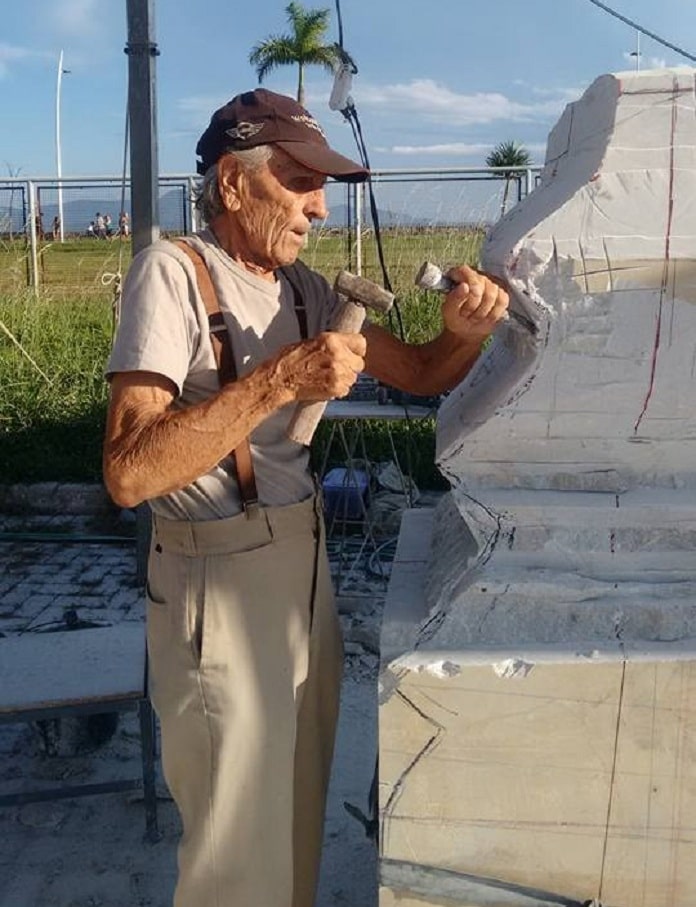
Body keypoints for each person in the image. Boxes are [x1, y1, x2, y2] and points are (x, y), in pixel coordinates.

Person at [102, 87, 509, 907]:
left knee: (291, 825)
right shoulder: (172, 275)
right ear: (232, 182)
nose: (320, 209)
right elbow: (129, 471)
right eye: (300, 182)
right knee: (233, 858)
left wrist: (466, 334)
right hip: (216, 587)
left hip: (303, 573)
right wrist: (281, 378)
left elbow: (424, 372)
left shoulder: (304, 291)